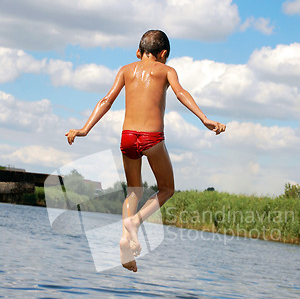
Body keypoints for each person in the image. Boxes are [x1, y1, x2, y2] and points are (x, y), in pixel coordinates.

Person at [65, 30, 226, 272]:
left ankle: (124, 241)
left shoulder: (126, 69)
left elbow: (106, 100)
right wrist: (204, 119)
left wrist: (84, 129)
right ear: (163, 54)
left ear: (139, 52)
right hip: (152, 139)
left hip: (127, 137)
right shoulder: (167, 71)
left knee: (133, 192)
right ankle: (135, 222)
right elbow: (181, 93)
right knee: (167, 188)